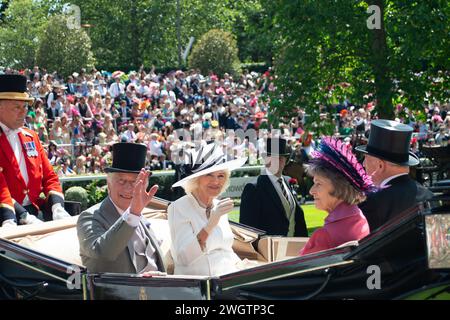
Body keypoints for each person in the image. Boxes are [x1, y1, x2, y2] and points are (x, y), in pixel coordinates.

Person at [77, 142, 166, 274]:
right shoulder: (90, 217)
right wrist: (133, 214)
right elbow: (102, 253)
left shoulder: (142, 219)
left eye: (135, 182)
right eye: (121, 181)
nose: (128, 188)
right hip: (117, 294)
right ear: (109, 184)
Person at [0, 74, 71, 227]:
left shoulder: (31, 137)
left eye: (25, 107)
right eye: (16, 107)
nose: (23, 112)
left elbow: (49, 176)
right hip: (6, 218)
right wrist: (23, 215)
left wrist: (57, 206)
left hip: (35, 213)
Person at [168, 143, 247, 276]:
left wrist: (243, 265)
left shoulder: (219, 207)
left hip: (228, 281)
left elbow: (225, 250)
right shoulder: (178, 208)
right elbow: (184, 258)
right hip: (197, 287)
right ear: (196, 180)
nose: (216, 181)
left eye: (221, 175)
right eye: (209, 175)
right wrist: (210, 224)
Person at [299, 137, 374, 255]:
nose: (311, 191)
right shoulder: (360, 220)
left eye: (318, 184)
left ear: (338, 186)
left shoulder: (324, 237)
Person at [356, 119, 434, 231]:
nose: (363, 164)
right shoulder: (429, 196)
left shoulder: (373, 202)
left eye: (366, 159)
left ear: (380, 166)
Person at [240, 137, 308, 237]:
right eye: (273, 157)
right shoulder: (253, 188)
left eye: (281, 158)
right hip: (269, 249)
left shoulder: (288, 181)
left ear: (285, 161)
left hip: (294, 247)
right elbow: (247, 230)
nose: (277, 161)